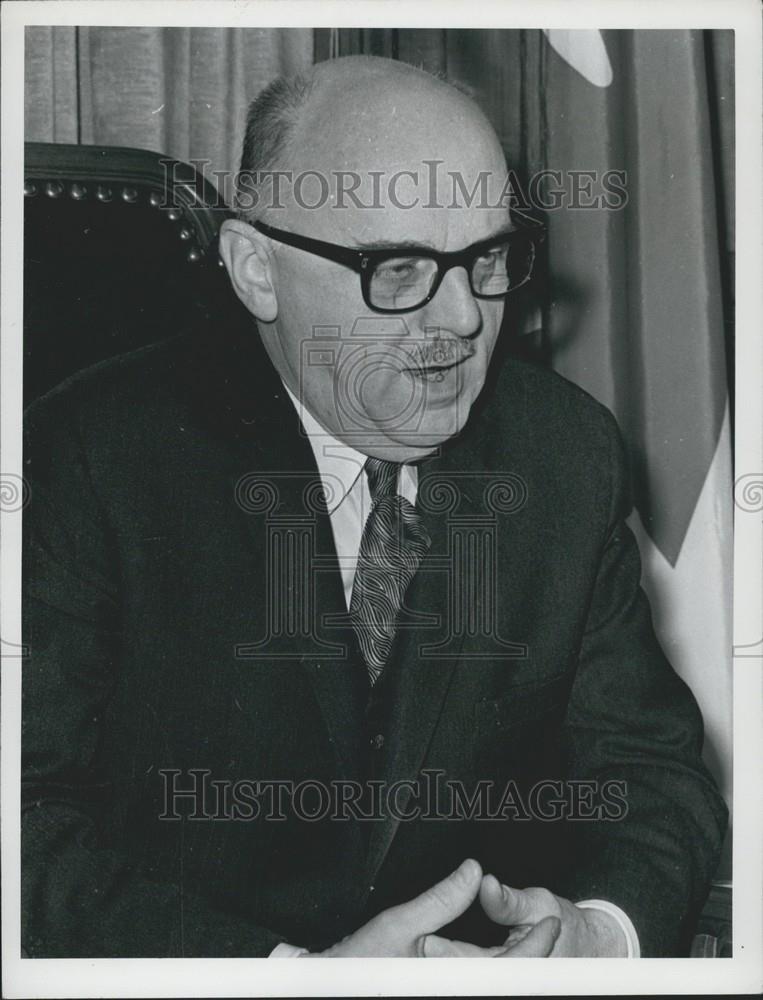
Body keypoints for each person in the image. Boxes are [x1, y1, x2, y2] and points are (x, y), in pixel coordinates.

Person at [22, 55, 727, 960]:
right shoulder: (91, 454)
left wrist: (602, 934)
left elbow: (647, 769)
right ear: (256, 271)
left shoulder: (563, 454)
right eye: (398, 269)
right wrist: (283, 980)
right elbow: (23, 818)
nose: (464, 319)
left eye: (487, 260)